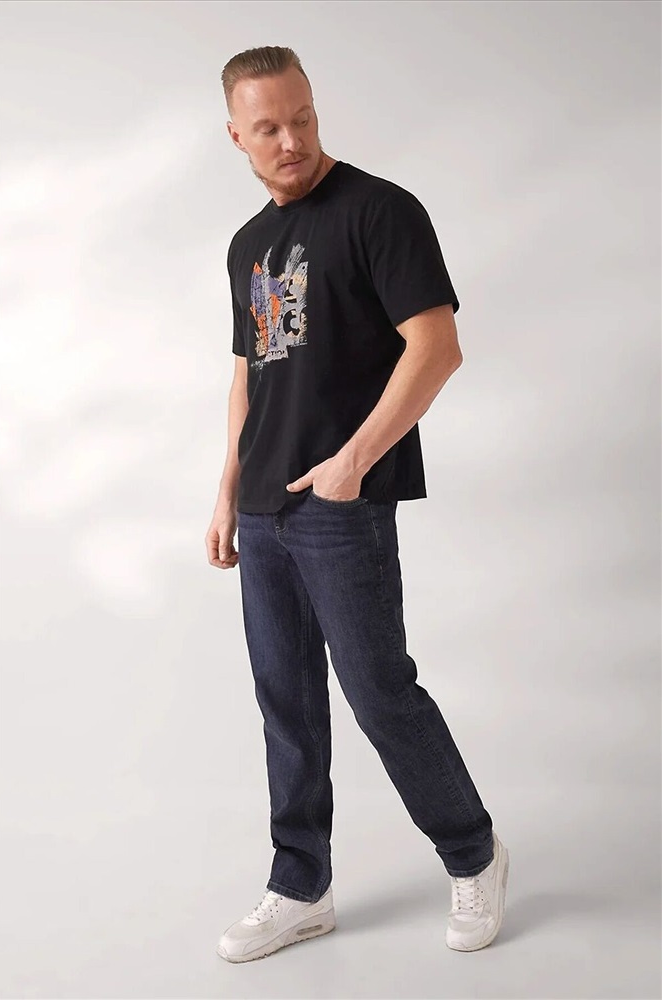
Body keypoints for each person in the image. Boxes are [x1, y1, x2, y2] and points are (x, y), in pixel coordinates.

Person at [206, 44, 509, 964]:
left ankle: (473, 853)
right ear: (236, 137)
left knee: (379, 691)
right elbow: (248, 378)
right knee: (286, 701)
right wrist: (225, 492)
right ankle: (301, 886)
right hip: (262, 512)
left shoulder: (380, 210)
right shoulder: (247, 244)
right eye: (267, 127)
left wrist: (352, 464)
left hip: (342, 505)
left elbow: (436, 347)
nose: (290, 140)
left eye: (301, 118)